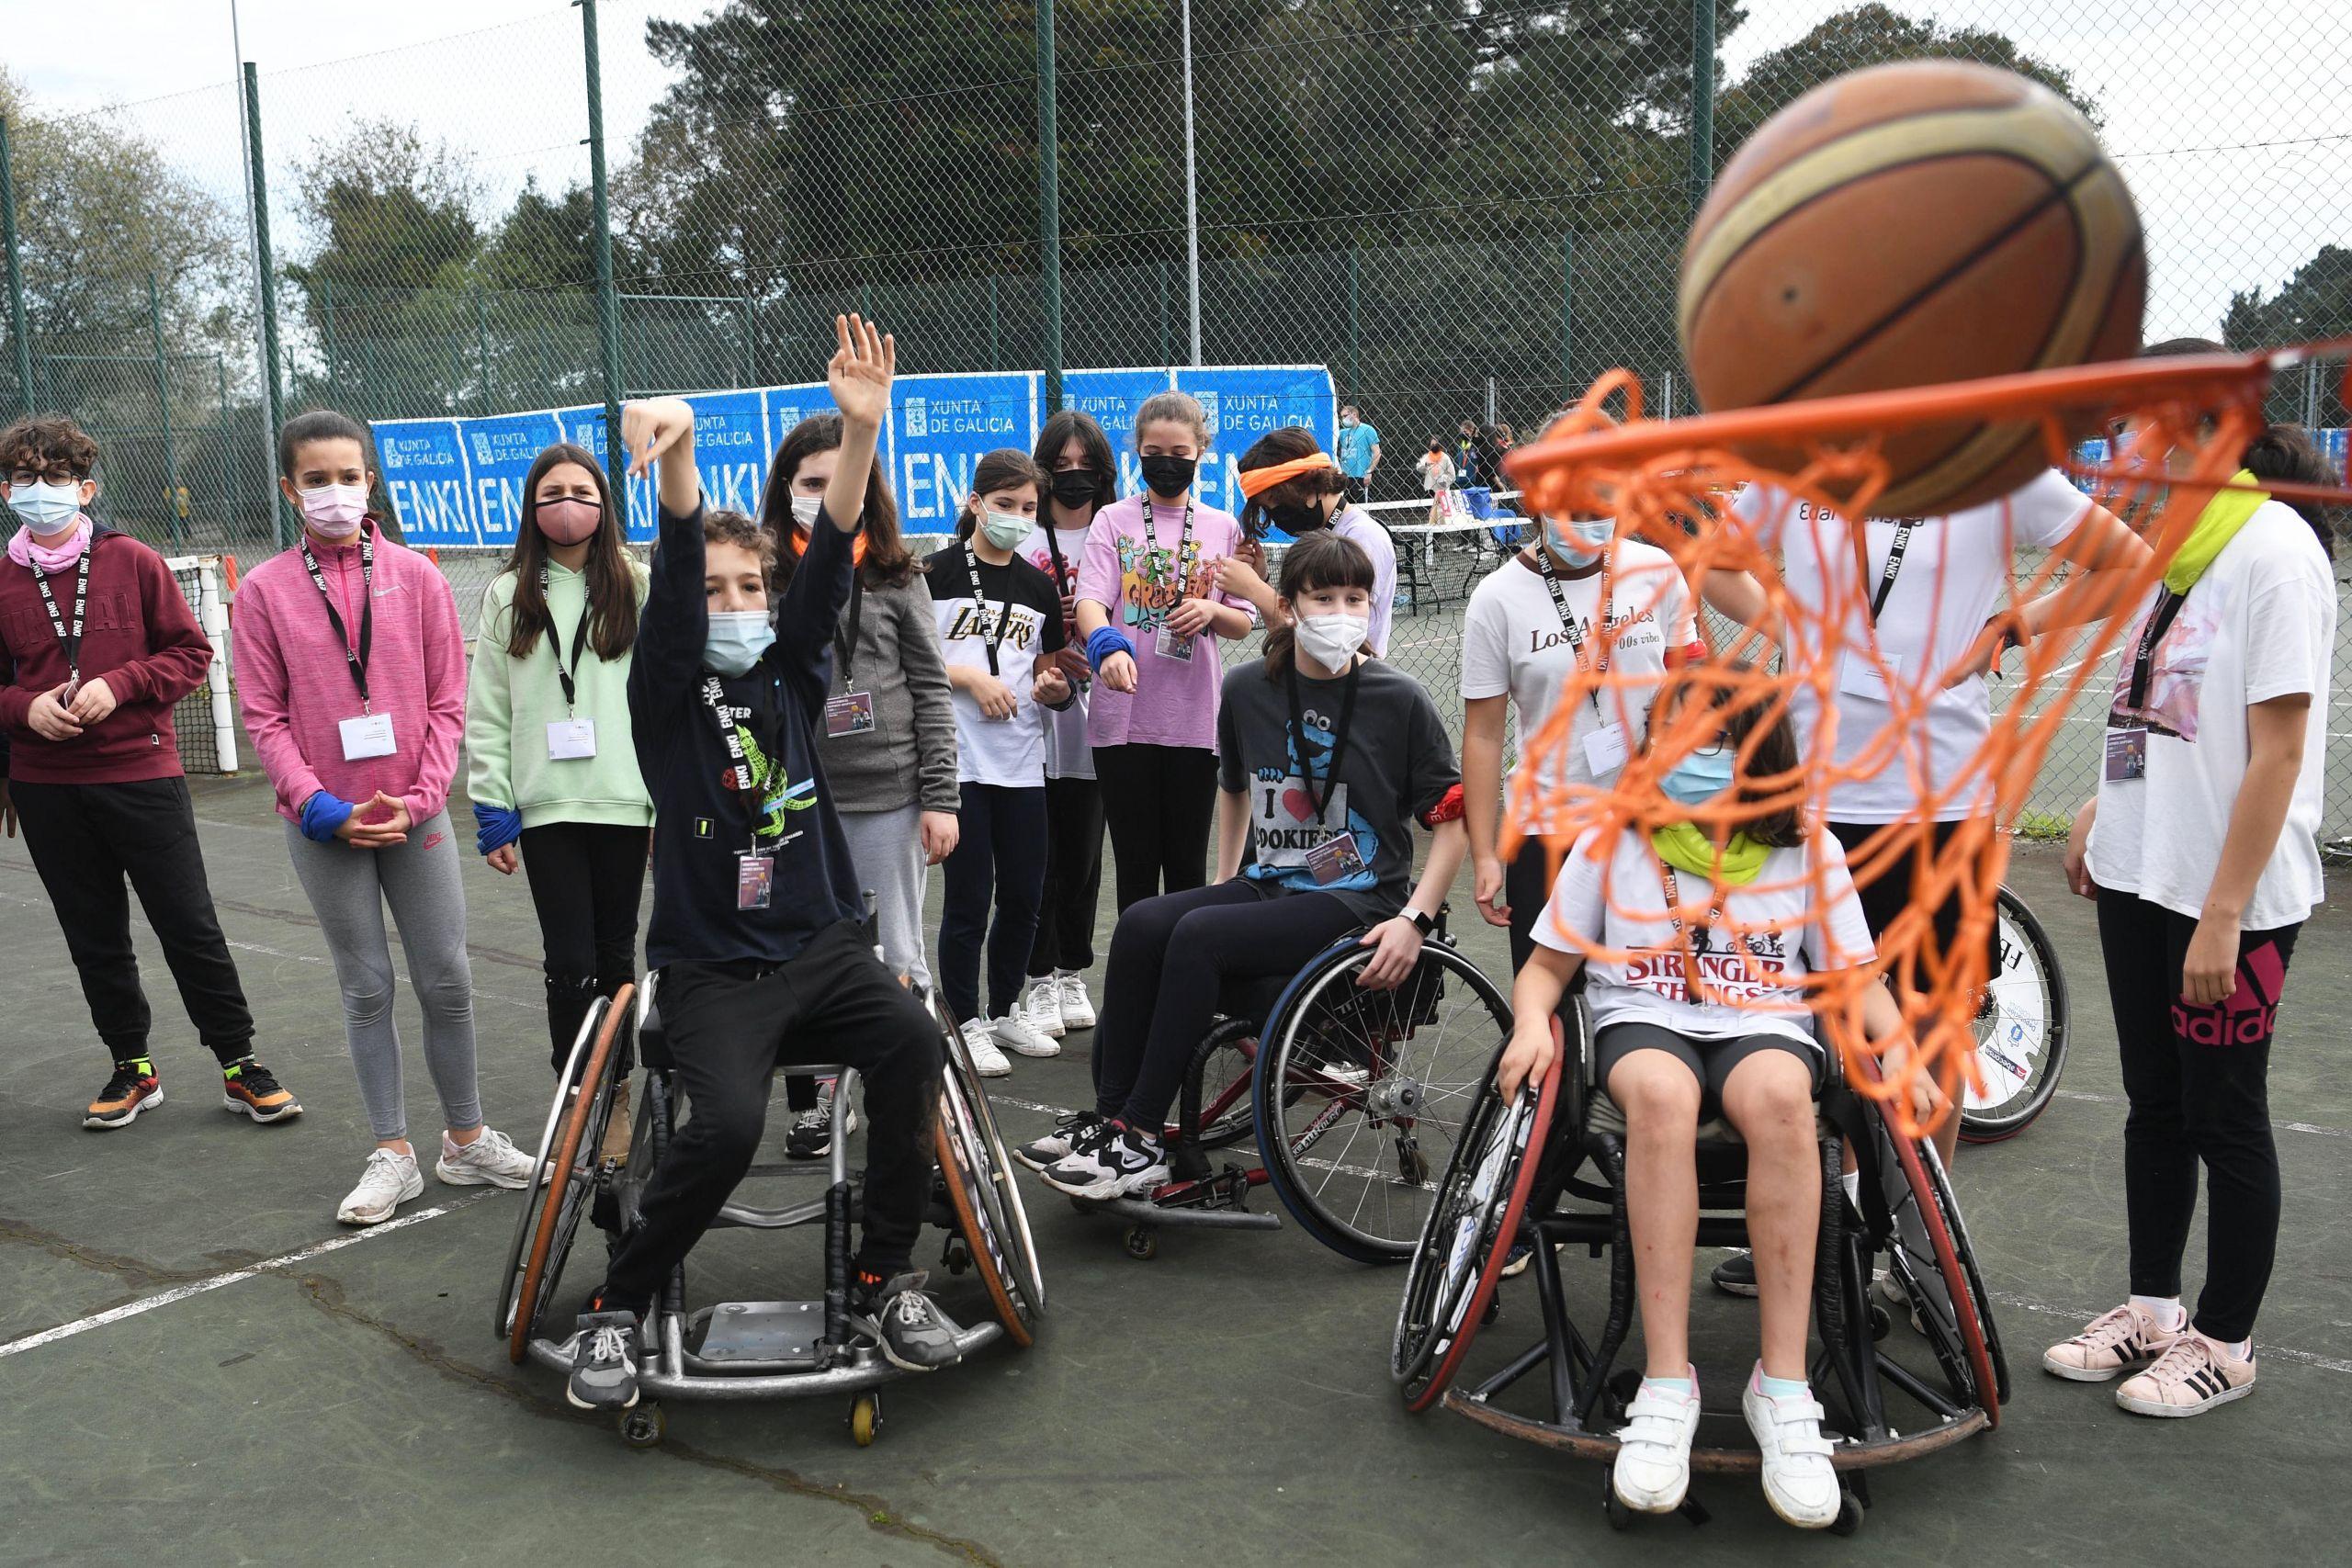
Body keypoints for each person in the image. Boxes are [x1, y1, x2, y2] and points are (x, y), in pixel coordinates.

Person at [561, 318, 963, 1415]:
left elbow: (830, 553)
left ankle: (883, 1278)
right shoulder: (664, 694)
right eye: (721, 589)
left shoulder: (794, 667)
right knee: (730, 1127)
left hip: (823, 951)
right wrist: (681, 455)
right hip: (713, 971)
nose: (736, 603)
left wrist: (862, 429)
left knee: (912, 1041)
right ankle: (615, 1306)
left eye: (753, 588)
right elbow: (681, 561)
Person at [1702, 460, 2149, 1301]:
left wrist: (2012, 625)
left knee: (1936, 1021)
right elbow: (1719, 562)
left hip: (1941, 794)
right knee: (1801, 1015)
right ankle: (1811, 1228)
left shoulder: (1997, 459)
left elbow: (2127, 561)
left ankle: (1918, 1241)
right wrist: (1797, 627)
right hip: (1809, 795)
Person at [1497, 660, 1907, 1529]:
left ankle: (1783, 1389)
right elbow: (1545, 969)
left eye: (1719, 738)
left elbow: (1860, 982)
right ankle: (1667, 1382)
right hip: (1645, 1018)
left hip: (1763, 1019)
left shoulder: (1808, 844)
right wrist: (1533, 1022)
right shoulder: (1615, 839)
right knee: (1661, 1101)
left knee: (1788, 1102)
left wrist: (1900, 1044)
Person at [2046, 416, 2337, 1419]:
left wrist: (2224, 915)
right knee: (2154, 1105)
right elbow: (2151, 704)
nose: (2123, 454)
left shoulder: (2273, 550)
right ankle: (2151, 1310)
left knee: (2224, 1113)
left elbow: (2280, 753)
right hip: (2142, 874)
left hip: (2228, 901)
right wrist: (2103, 806)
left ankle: (2224, 1341)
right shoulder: (2182, 547)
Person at [1028, 532, 1466, 1197]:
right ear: (1287, 606)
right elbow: (1234, 787)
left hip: (1361, 897)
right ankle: (1112, 1116)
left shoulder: (1398, 698)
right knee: (1145, 922)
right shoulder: (1247, 688)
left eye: (1355, 598)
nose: (1342, 611)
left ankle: (1143, 1136)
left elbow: (1453, 821)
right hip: (1274, 882)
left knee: (1200, 938)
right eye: (1324, 598)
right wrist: (1224, 879)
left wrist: (1414, 916)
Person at [236, 409, 535, 1224]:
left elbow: (449, 700)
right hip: (326, 825)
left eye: (348, 475)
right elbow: (263, 716)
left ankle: (466, 1140)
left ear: (370, 479)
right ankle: (394, 1151)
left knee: (449, 978)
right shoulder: (262, 591)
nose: (334, 491)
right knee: (366, 985)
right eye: (316, 478)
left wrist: (420, 797)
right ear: (290, 487)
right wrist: (322, 808)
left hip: (418, 816)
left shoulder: (421, 577)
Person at [0, 414, 298, 1130]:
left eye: (57, 478)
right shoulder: (2, 578)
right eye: (26, 478)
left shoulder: (133, 560)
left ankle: (238, 1063)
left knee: (189, 924)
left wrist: (124, 682)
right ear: (6, 489)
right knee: (92, 932)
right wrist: (21, 706)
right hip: (47, 787)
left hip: (141, 774)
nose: (41, 491)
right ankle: (131, 1067)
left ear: (86, 487)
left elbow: (192, 653)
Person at [756, 411, 958, 1158]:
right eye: (813, 481)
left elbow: (933, 690)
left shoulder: (900, 575)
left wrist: (941, 796)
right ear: (787, 488)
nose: (828, 492)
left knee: (896, 957)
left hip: (891, 801)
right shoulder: (766, 578)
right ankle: (813, 1101)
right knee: (800, 954)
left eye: (842, 478)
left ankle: (907, 1099)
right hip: (798, 805)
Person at [1461, 476, 1704, 972]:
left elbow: (1694, 687)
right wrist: (1485, 853)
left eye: (1602, 508)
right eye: (1572, 511)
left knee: (1651, 996)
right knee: (1551, 1009)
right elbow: (1483, 735)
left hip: (1655, 823)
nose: (1588, 526)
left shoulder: (1657, 571)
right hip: (1550, 829)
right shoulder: (1497, 597)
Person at [465, 442, 652, 1078]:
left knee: (616, 954)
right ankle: (578, 1095)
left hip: (626, 802)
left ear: (604, 502)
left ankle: (618, 1092)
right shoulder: (507, 593)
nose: (567, 506)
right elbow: (488, 707)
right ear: (530, 507)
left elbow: (663, 695)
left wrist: (665, 799)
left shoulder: (636, 578)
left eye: (581, 492)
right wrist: (492, 801)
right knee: (568, 961)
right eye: (551, 495)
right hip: (545, 808)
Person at [1074, 389, 1256, 911]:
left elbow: (1243, 620)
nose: (1167, 464)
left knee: (1185, 871)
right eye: (1154, 454)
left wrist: (1211, 612)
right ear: (1137, 453)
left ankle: (1181, 986)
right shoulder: (1113, 520)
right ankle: (1137, 990)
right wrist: (1106, 646)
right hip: (1123, 717)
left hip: (1194, 721)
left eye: (1180, 454)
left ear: (1201, 451)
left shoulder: (1223, 527)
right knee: (1132, 868)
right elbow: (1090, 601)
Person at [930, 448, 1075, 1075]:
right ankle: (963, 1022)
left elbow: (1054, 672)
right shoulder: (931, 575)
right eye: (1006, 505)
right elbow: (902, 659)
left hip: (1021, 763)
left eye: (1028, 508)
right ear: (975, 503)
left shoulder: (1039, 585)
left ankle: (1004, 1008)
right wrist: (966, 676)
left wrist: (1054, 691)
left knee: (1023, 894)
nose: (1017, 517)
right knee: (968, 898)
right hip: (957, 763)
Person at [1016, 408, 1114, 1043]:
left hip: (1101, 716)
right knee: (1037, 853)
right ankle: (1034, 976)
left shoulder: (1116, 531)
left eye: (1086, 467)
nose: (1073, 477)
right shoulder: (1021, 537)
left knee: (1084, 849)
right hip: (1031, 721)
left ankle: (1071, 969)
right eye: (1060, 467)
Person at [1214, 427, 1401, 658]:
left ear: (1307, 484)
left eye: (1276, 500)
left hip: (1350, 684)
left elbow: (1331, 646)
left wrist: (1254, 589)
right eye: (1266, 508)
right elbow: (1288, 640)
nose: (1275, 513)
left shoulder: (1361, 538)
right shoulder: (1319, 536)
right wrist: (1261, 578)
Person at [1336, 403, 1382, 504]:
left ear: (1354, 415)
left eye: (1345, 416)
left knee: (1362, 508)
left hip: (1360, 475)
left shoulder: (1368, 430)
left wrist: (1369, 472)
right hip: (1345, 476)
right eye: (1341, 417)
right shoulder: (1343, 432)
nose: (1343, 419)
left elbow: (1377, 452)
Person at [1416, 438, 1457, 527]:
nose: (1433, 446)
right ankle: (1431, 538)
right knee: (1430, 516)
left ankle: (1437, 538)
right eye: (1432, 444)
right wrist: (1426, 464)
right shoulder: (1427, 456)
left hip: (1441, 491)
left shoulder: (1445, 458)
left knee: (1440, 516)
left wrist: (1442, 479)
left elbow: (1452, 476)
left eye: (1435, 444)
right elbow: (1418, 467)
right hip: (1430, 489)